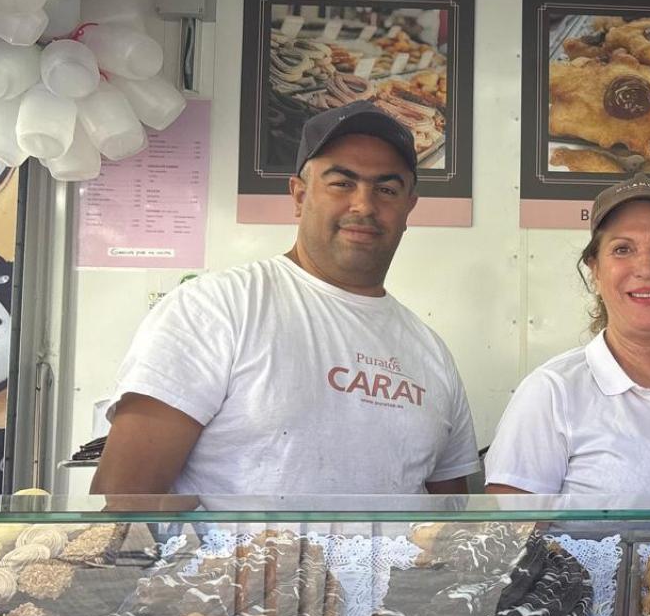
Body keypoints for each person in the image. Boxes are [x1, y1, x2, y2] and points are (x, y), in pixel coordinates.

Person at [92, 101, 480, 496]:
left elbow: (452, 516)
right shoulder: (215, 308)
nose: (364, 205)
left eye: (386, 189)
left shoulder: (431, 353)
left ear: (409, 207)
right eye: (341, 183)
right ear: (299, 195)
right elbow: (123, 498)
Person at [483, 177, 650, 495]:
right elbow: (506, 525)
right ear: (595, 271)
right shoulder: (552, 392)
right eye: (622, 249)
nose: (646, 268)